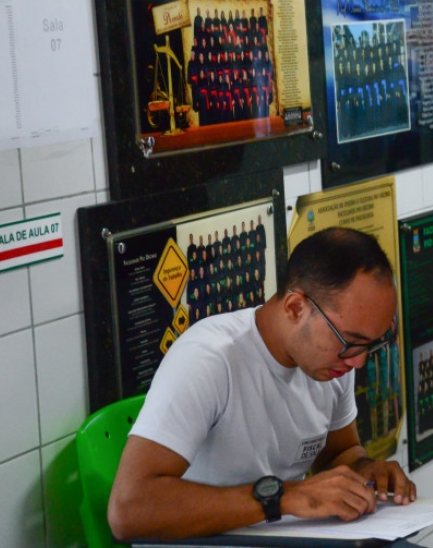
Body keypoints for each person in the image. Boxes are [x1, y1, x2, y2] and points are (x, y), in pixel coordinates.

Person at [108, 228, 416, 542]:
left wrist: (365, 470)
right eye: (351, 341)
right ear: (296, 307)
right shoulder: (210, 360)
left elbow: (341, 454)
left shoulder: (333, 362)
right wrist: (282, 498)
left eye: (370, 345)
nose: (358, 362)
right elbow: (128, 510)